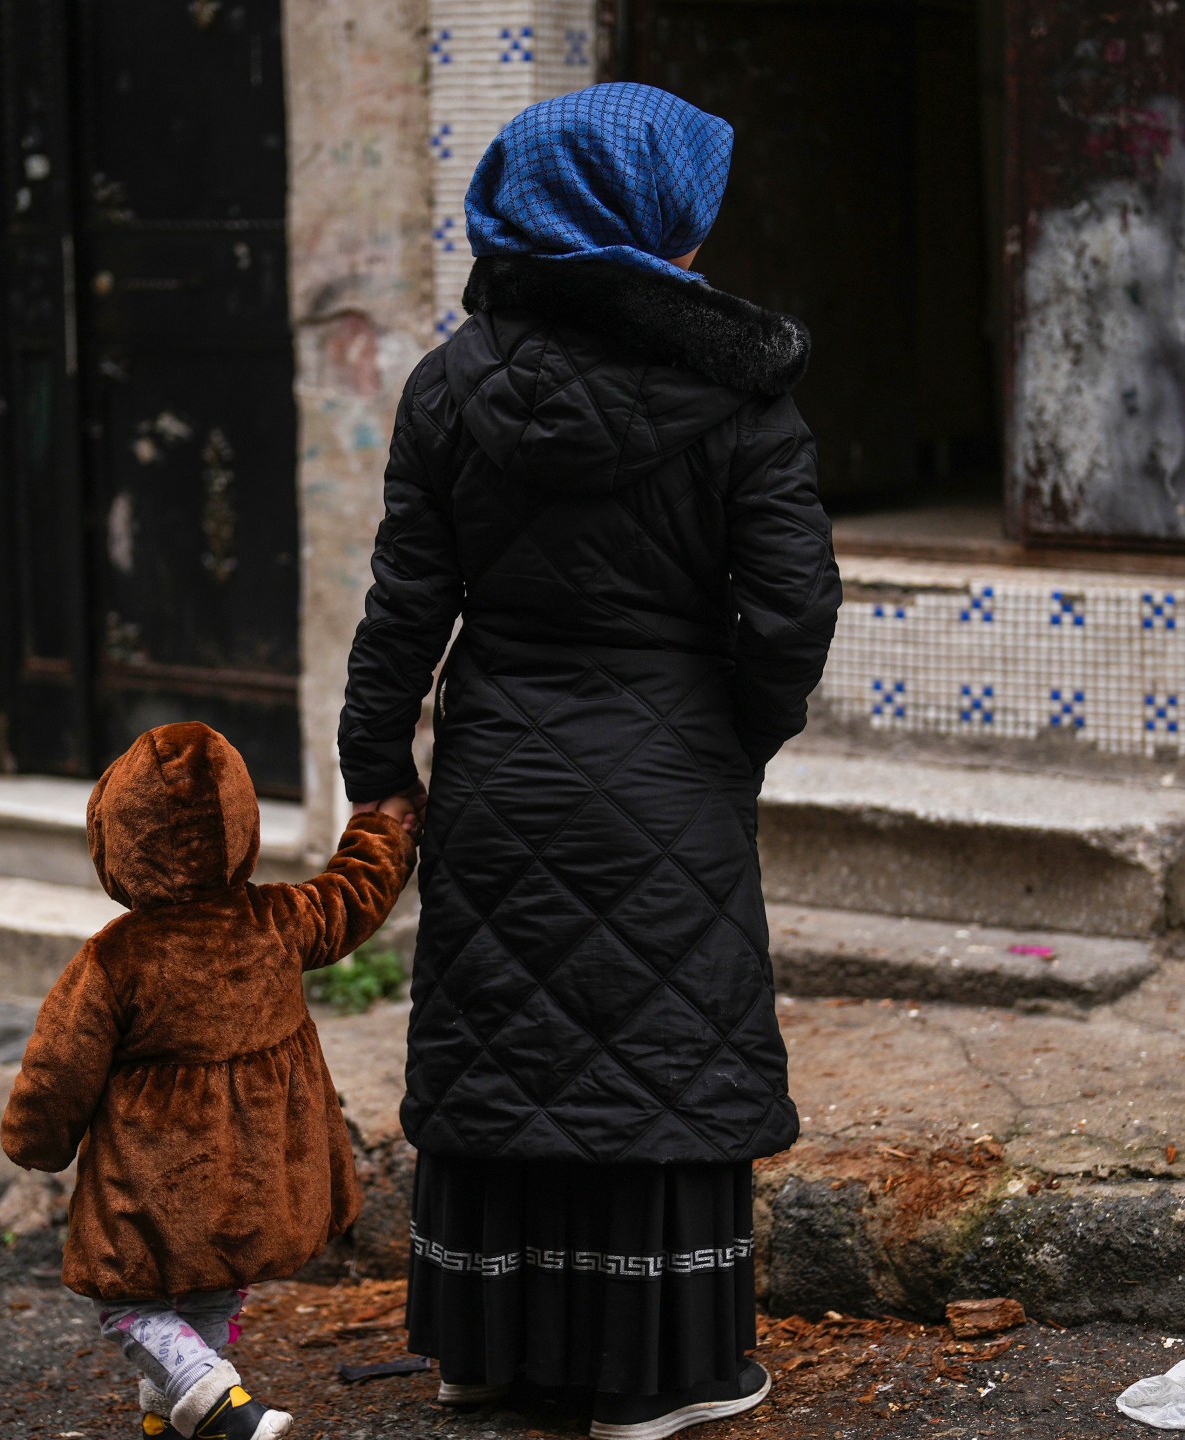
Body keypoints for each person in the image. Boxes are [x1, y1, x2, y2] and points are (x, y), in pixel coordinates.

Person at [337, 83, 840, 1439]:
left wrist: (376, 761)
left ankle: (486, 1352)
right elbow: (791, 609)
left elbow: (404, 605)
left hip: (500, 758)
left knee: (510, 1037)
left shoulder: (451, 384)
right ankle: (660, 1378)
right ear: (645, 220)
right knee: (657, 1046)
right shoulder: (741, 391)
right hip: (671, 761)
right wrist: (735, 734)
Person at [0, 721, 416, 1440]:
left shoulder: (114, 960)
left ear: (117, 839)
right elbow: (354, 895)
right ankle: (173, 1420)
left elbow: (58, 1068)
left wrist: (35, 1139)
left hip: (158, 1181)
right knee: (213, 1286)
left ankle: (213, 1399)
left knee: (127, 1303)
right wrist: (383, 829)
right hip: (260, 1166)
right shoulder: (280, 919)